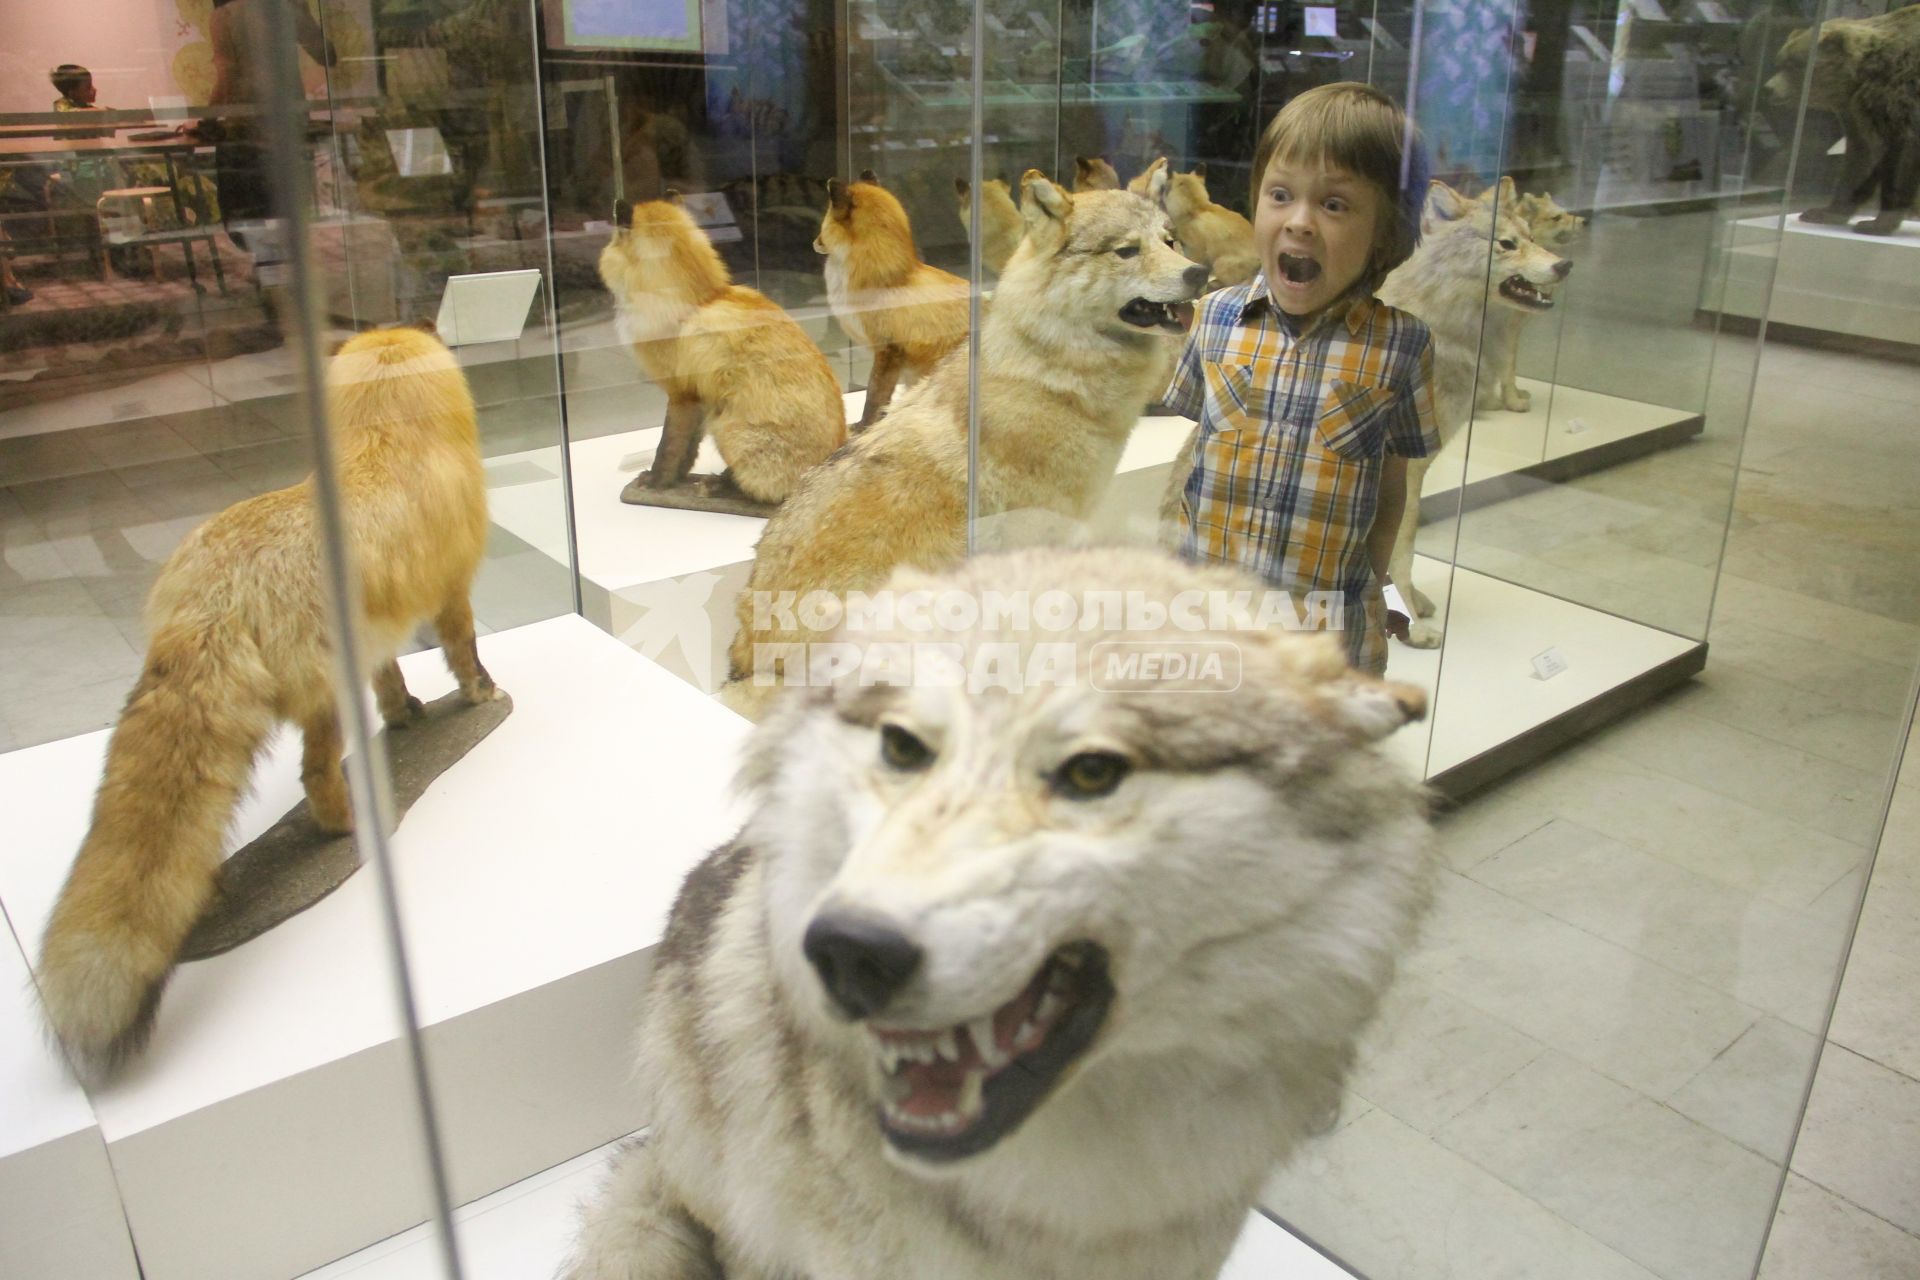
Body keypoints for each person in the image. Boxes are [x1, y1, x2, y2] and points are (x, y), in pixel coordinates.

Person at [1163, 81, 1439, 677]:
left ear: (1385, 233)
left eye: (1335, 205)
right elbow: (1193, 461)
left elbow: (1393, 493)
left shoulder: (1403, 346)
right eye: (1280, 195)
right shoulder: (1213, 318)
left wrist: (1372, 590)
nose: (1300, 223)